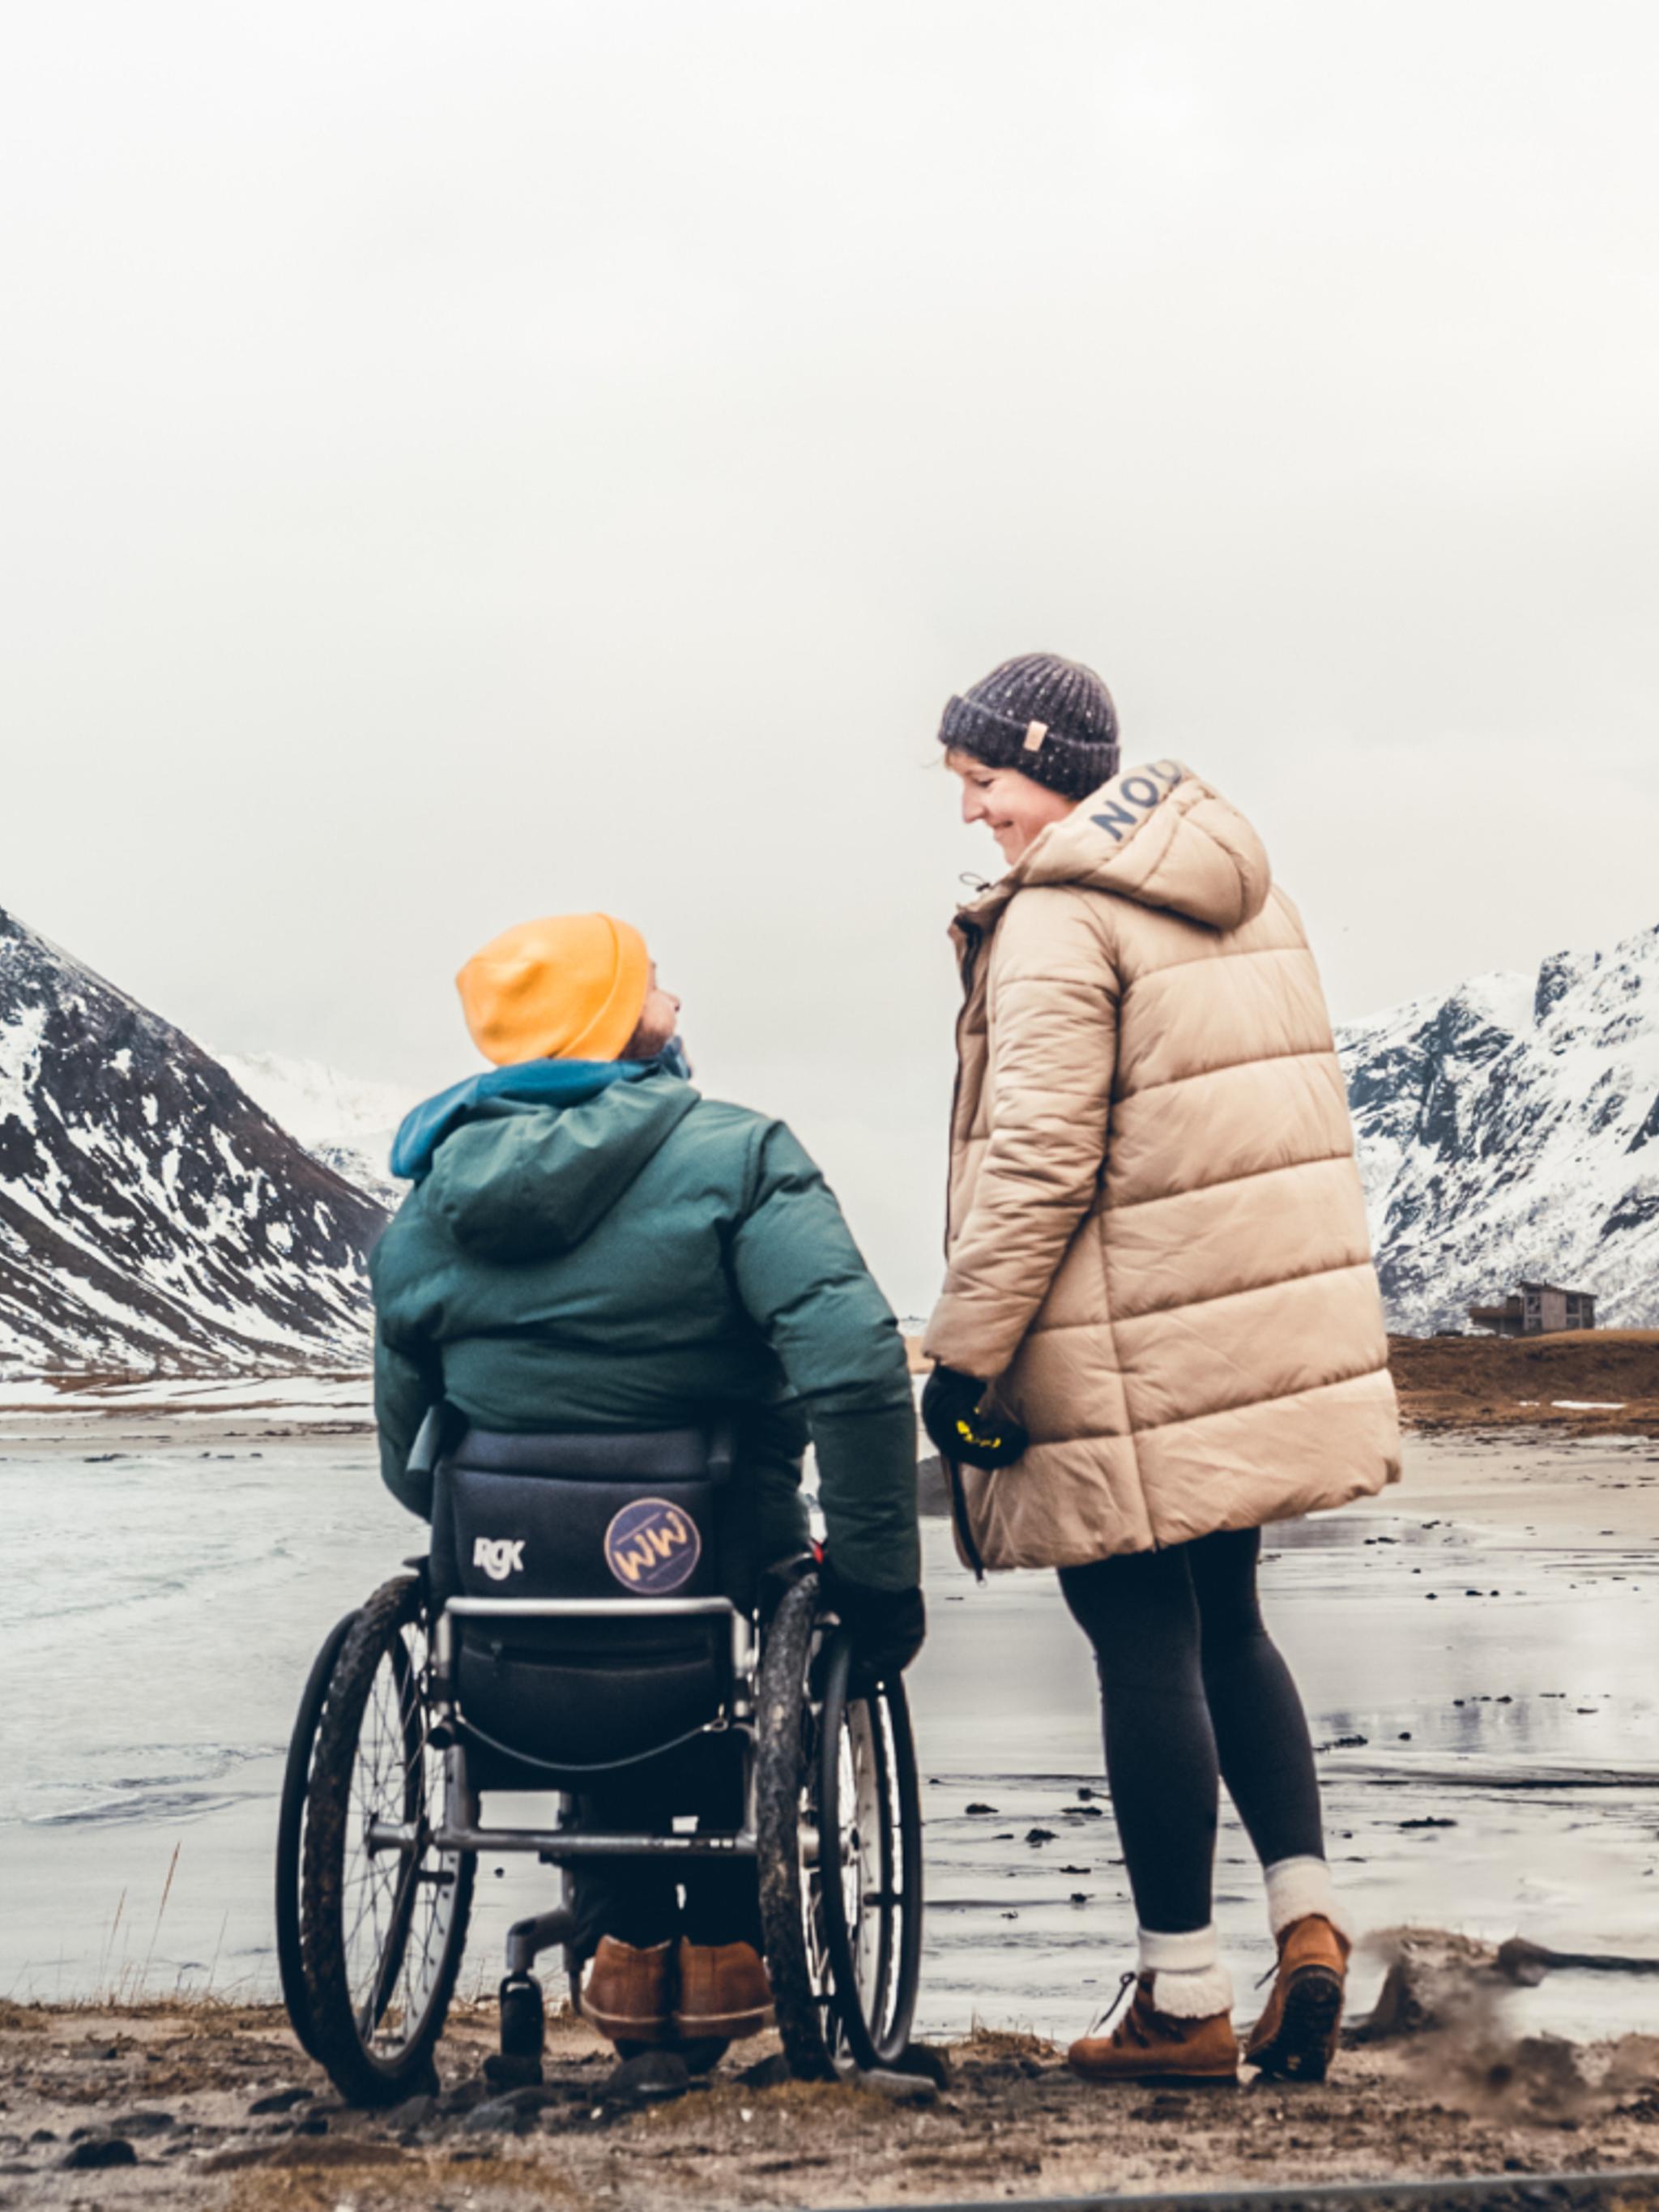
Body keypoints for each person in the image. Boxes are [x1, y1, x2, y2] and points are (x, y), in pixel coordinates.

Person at [919, 654, 1401, 2086]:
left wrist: (963, 1358)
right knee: (1232, 1624)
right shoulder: (1248, 895)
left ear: (1046, 763)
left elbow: (1041, 1163)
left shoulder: (1062, 918)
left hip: (1115, 1345)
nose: (973, 814)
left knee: (1140, 1641)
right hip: (1234, 1336)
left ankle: (1180, 1997)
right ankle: (1306, 1924)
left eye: (982, 782)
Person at [370, 911, 923, 2052]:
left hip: (513, 1599)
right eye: (654, 983)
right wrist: (877, 1578)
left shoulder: (429, 1203)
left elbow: (407, 1450)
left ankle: (621, 1946)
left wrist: (503, 1520)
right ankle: (724, 1942)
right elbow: (857, 1366)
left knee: (591, 1600)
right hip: (717, 1557)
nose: (674, 998)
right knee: (739, 1601)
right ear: (608, 1021)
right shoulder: (739, 1154)